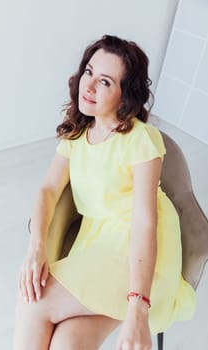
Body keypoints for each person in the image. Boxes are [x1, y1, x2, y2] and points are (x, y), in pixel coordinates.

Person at [13, 34, 196, 350]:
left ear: (125, 95)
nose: (90, 86)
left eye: (106, 82)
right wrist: (36, 246)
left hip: (139, 252)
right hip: (99, 243)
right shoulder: (78, 133)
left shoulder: (142, 140)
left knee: (33, 302)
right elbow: (48, 189)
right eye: (89, 72)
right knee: (67, 343)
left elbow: (143, 223)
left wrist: (138, 305)